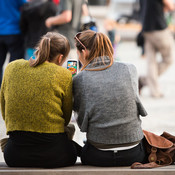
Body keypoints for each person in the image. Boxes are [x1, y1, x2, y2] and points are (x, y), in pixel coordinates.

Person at [0, 32, 78, 168]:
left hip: (14, 155)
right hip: (54, 155)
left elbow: (3, 107)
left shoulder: (11, 67)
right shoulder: (63, 74)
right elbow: (66, 118)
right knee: (70, 135)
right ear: (60, 58)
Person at [73, 30, 148, 166]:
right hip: (134, 154)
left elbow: (82, 125)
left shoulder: (80, 78)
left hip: (97, 156)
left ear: (84, 52)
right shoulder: (130, 69)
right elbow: (139, 108)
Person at [139, 0, 174, 98]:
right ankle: (144, 80)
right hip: (159, 28)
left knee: (151, 62)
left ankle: (154, 91)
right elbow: (170, 6)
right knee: (169, 59)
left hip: (146, 28)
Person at [45, 0, 87, 69]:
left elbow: (66, 17)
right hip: (74, 37)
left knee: (65, 70)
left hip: (65, 39)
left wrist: (49, 21)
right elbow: (85, 12)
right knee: (72, 71)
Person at [0, 0, 27, 86]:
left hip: (1, 31)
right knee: (15, 66)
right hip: (15, 31)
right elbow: (26, 5)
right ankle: (11, 90)